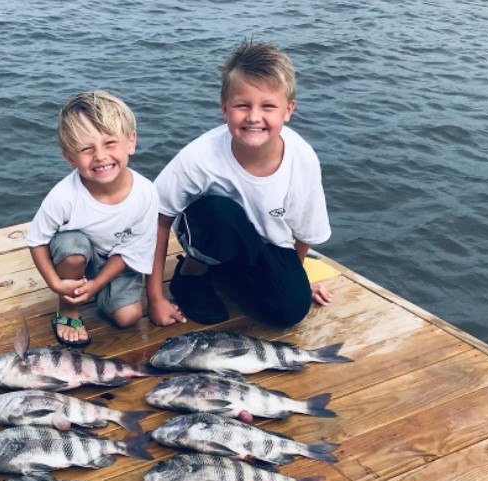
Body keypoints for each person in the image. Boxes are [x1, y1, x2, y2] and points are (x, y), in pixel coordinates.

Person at [146, 39, 333, 329]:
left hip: (267, 244)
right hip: (209, 233)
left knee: (290, 311)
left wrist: (293, 280)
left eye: (268, 106)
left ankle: (230, 274)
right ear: (224, 108)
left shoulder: (303, 159)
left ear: (288, 110)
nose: (254, 117)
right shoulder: (199, 155)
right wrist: (155, 297)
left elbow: (305, 231)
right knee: (220, 212)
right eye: (242, 105)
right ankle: (192, 273)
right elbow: (157, 217)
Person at [26, 90, 158, 346]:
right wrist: (55, 284)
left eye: (110, 143)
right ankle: (69, 309)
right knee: (72, 249)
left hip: (116, 262)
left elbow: (131, 250)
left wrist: (97, 284)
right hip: (77, 258)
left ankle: (93, 292)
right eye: (86, 149)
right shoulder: (63, 196)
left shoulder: (146, 193)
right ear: (70, 157)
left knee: (128, 317)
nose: (100, 156)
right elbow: (36, 241)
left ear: (131, 141)